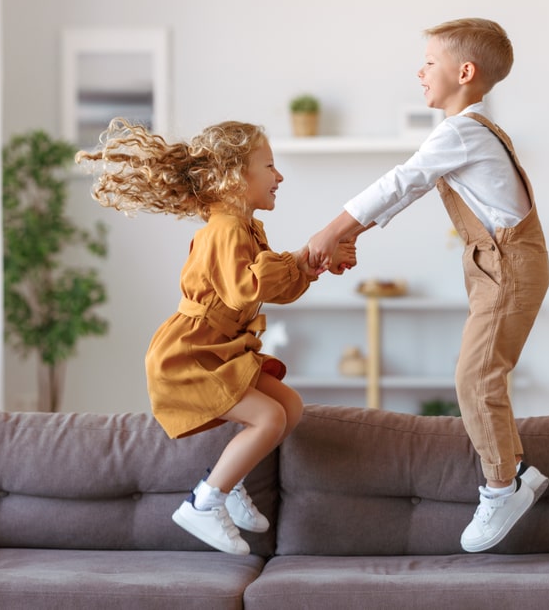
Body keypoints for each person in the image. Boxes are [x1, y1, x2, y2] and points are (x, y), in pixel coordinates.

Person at [307, 18, 549, 553]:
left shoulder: (462, 131)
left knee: (475, 376)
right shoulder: (468, 131)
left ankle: (500, 487)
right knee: (485, 373)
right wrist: (353, 238)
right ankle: (516, 473)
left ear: (465, 72)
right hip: (501, 264)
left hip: (506, 265)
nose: (420, 71)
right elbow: (406, 191)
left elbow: (402, 180)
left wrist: (332, 231)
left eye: (429, 62)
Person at [77, 119, 355, 555]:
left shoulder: (245, 228)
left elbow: (273, 287)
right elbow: (248, 286)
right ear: (235, 176)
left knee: (290, 407)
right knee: (269, 418)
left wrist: (313, 263)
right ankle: (205, 501)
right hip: (190, 354)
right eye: (269, 166)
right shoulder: (225, 230)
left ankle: (231, 478)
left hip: (217, 348)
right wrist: (306, 256)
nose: (279, 177)